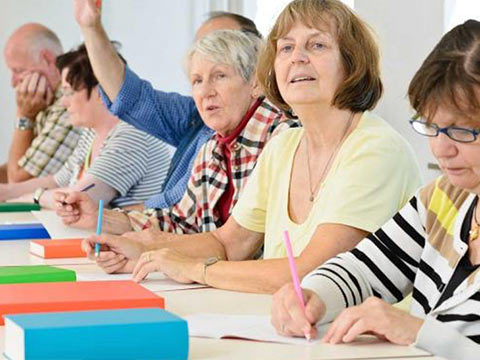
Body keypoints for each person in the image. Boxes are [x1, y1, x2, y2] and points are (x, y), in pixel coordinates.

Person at [80, 0, 421, 294]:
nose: (297, 58)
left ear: (352, 64)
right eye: (286, 48)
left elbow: (312, 274)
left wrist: (196, 269)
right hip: (284, 326)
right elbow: (229, 243)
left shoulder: (375, 148)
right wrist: (140, 250)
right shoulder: (284, 145)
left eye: (316, 45)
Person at [270, 18, 480, 360]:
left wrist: (418, 332)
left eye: (462, 131)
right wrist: (313, 294)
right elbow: (364, 268)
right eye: (431, 126)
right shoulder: (444, 198)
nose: (441, 149)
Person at [56, 29, 299, 234]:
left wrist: (166, 257)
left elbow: (234, 246)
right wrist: (100, 219)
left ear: (255, 82)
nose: (206, 92)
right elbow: (181, 221)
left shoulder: (282, 138)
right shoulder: (213, 145)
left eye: (220, 76)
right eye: (197, 81)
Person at [70, 0, 263, 212]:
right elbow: (130, 98)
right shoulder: (196, 115)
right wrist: (90, 28)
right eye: (198, 78)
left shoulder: (269, 131)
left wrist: (123, 217)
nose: (206, 55)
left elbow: (181, 210)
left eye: (222, 46)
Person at [0, 44, 171, 209]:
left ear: (100, 91)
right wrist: (6, 192)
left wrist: (35, 197)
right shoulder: (92, 132)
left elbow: (78, 199)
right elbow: (57, 181)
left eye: (69, 92)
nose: (63, 101)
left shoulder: (132, 134)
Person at [1, 23, 81, 183]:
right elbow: (20, 165)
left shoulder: (69, 106)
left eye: (19, 71)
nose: (14, 82)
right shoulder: (46, 101)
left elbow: (17, 181)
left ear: (47, 59)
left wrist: (23, 115)